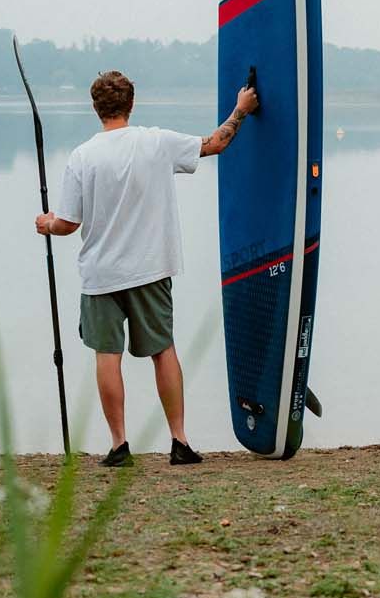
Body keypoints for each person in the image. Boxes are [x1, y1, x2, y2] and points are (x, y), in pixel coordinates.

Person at [34, 69, 259, 467]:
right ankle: (179, 441)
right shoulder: (157, 143)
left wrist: (46, 223)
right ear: (131, 104)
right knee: (162, 350)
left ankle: (120, 445)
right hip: (151, 270)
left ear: (96, 109)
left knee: (107, 354)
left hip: (101, 276)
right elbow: (215, 144)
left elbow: (68, 224)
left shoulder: (83, 156)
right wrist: (240, 110)